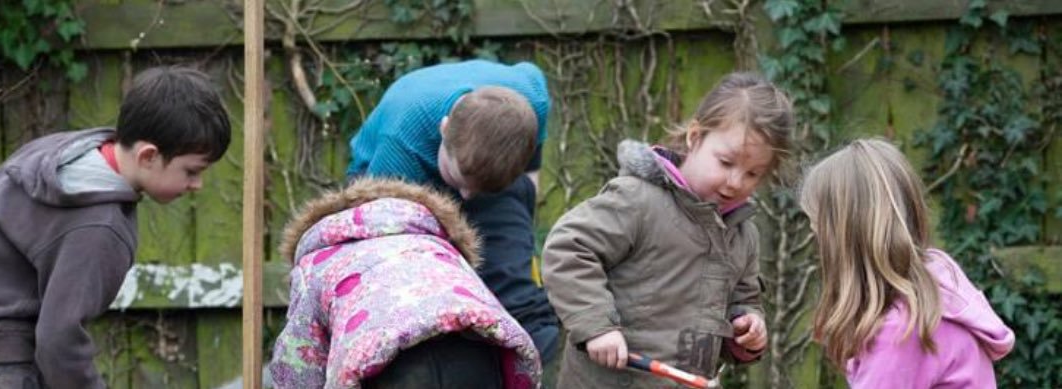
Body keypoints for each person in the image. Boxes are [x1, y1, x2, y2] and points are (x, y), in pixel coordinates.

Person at [0, 66, 232, 389]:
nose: (197, 184)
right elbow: (59, 342)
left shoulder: (64, 153)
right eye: (191, 171)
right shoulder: (98, 226)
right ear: (148, 156)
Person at [542, 72, 794, 388]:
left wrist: (747, 327)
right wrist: (597, 326)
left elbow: (743, 299)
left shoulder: (743, 234)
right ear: (695, 137)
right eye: (726, 162)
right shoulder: (637, 200)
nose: (735, 182)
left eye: (753, 173)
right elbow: (569, 248)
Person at [346, 59, 560, 364]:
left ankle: (537, 359)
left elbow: (528, 174)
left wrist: (517, 220)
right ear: (444, 129)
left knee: (510, 277)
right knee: (413, 292)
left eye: (474, 190)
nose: (465, 198)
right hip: (394, 187)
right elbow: (377, 243)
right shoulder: (399, 146)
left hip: (478, 163)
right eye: (459, 185)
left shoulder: (531, 99)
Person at [269, 178, 541, 389]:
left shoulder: (316, 262)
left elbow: (299, 361)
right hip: (477, 355)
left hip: (391, 366)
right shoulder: (439, 245)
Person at [798, 138, 1015, 388]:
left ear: (845, 239)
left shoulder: (900, 332)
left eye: (817, 229)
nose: (817, 242)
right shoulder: (937, 283)